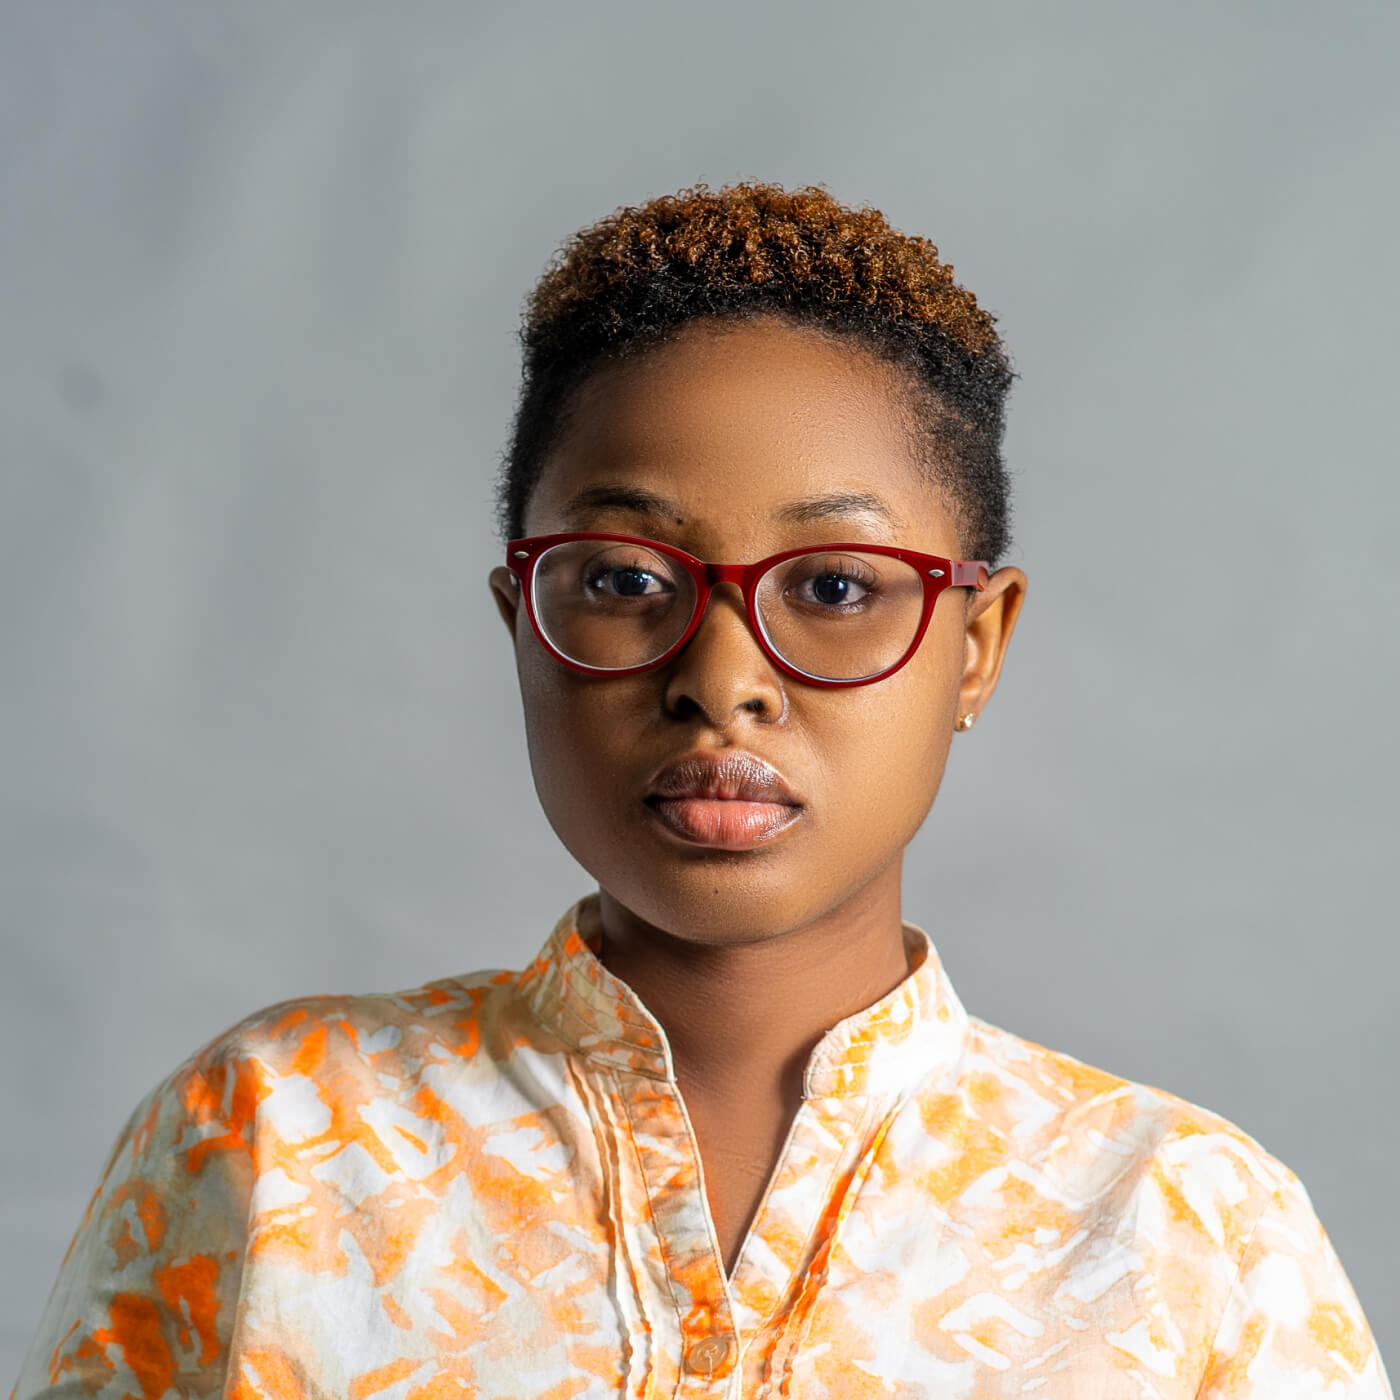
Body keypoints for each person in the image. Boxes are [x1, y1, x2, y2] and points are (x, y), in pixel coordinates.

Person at [13, 182, 1392, 1399]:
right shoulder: (277, 1138)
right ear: (521, 622)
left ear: (975, 647)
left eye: (835, 587)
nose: (722, 681)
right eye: (624, 579)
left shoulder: (1190, 1228)